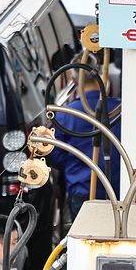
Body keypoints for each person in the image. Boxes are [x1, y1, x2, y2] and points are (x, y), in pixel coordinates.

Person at [49, 74, 122, 220]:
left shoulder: (66, 114)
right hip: (117, 190)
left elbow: (56, 156)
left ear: (74, 80)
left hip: (82, 188)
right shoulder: (119, 110)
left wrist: (76, 167)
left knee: (84, 233)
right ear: (101, 78)